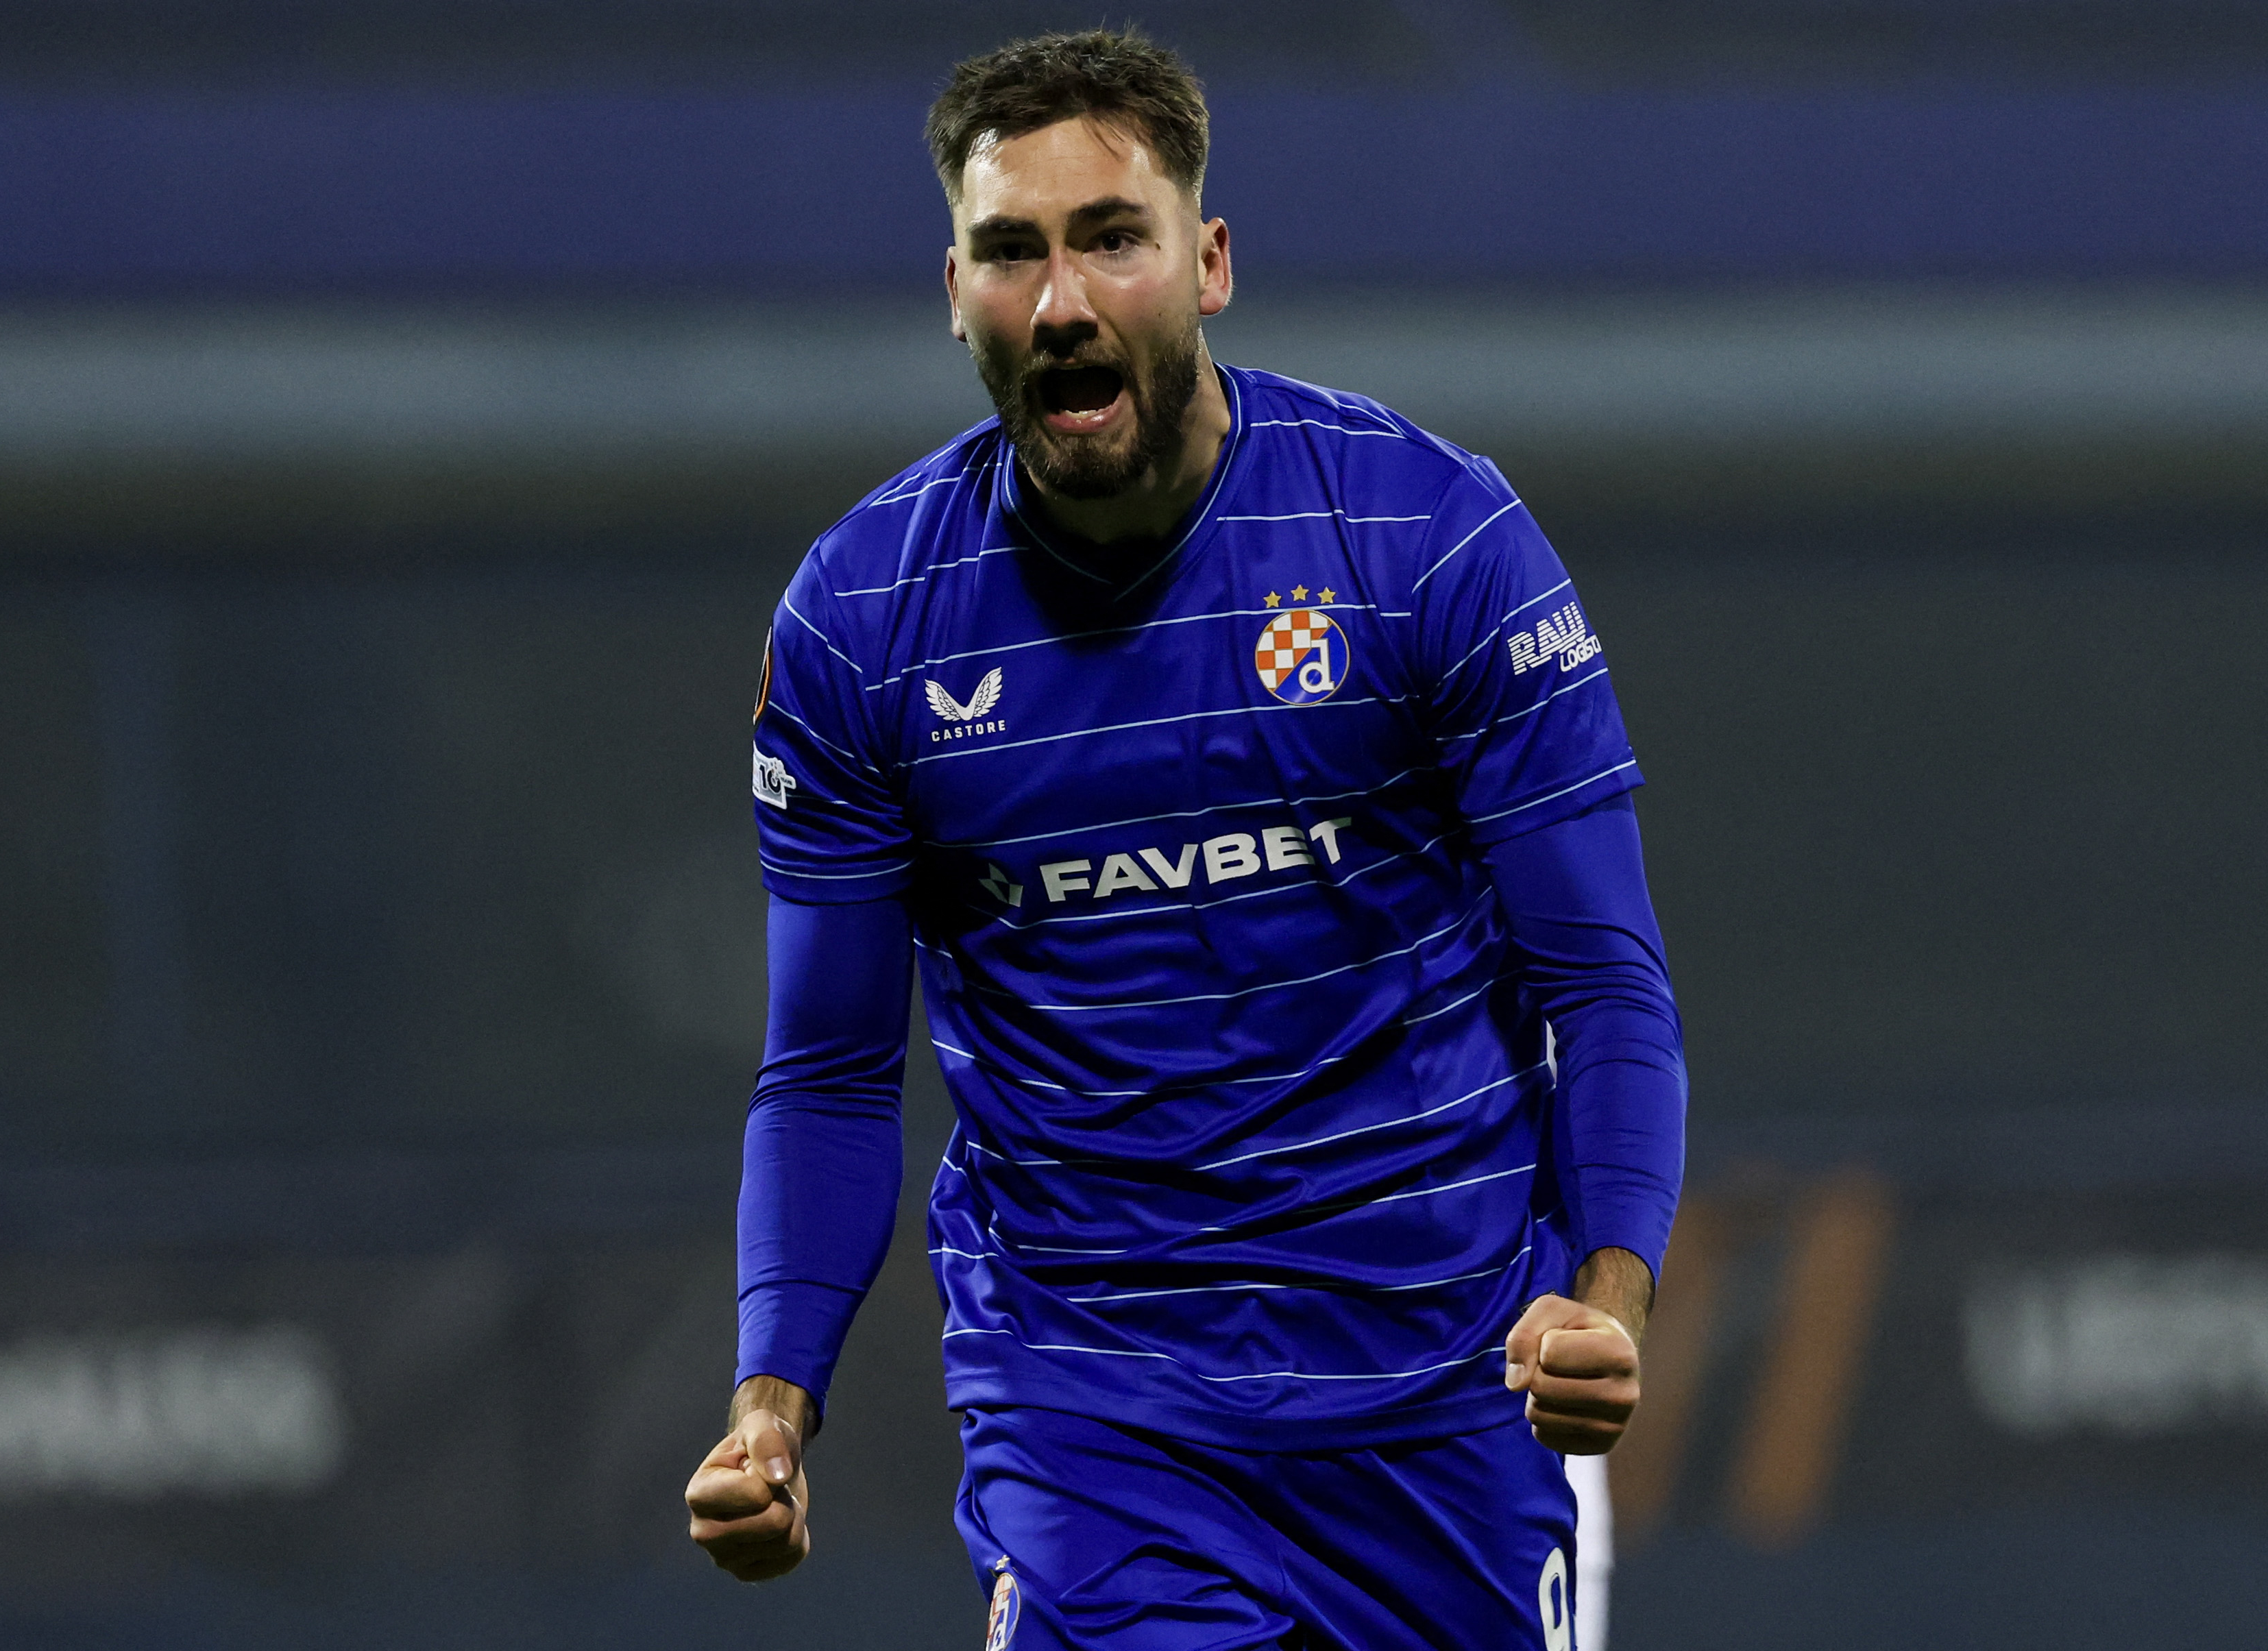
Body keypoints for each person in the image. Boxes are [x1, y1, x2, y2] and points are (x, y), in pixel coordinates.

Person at [685, 30, 1685, 1651]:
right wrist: (772, 1405)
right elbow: (827, 1069)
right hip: (1098, 1416)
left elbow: (1606, 983)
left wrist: (1609, 1294)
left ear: (1206, 263)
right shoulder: (863, 624)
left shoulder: (1427, 542)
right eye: (1011, 251)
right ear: (955, 292)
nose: (1062, 300)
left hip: (1445, 1395)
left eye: (1110, 237)